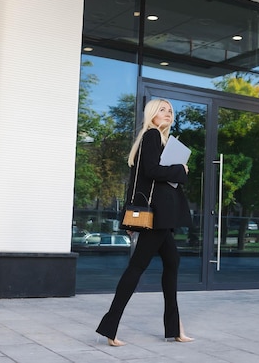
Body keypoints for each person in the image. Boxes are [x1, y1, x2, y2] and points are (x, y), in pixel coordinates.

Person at [96, 99, 194, 347]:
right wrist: (180, 170)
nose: (168, 113)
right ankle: (110, 326)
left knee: (172, 261)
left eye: (170, 111)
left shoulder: (157, 140)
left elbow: (138, 179)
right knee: (137, 267)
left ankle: (174, 327)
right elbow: (151, 171)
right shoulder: (151, 135)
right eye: (162, 110)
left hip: (161, 216)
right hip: (158, 217)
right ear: (151, 114)